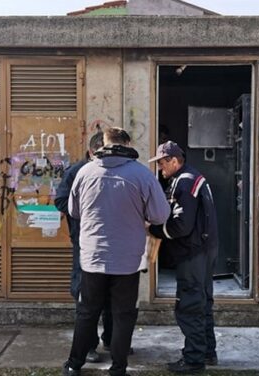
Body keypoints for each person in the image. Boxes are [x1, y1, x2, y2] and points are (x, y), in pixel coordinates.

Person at [63, 127, 170, 376]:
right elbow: (160, 215)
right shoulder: (142, 175)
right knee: (123, 314)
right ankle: (118, 368)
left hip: (92, 257)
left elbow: (73, 210)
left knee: (87, 312)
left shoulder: (84, 172)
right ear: (128, 143)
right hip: (127, 259)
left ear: (103, 144)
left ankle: (73, 365)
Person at [147, 141, 219, 374]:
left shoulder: (184, 182)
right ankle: (207, 352)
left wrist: (155, 230)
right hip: (205, 250)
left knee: (189, 305)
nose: (160, 169)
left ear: (174, 161)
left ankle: (193, 359)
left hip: (192, 252)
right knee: (203, 301)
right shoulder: (192, 177)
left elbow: (181, 225)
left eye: (162, 163)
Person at [55, 131, 110, 363]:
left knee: (113, 295)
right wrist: (84, 210)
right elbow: (60, 201)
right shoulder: (77, 171)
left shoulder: (119, 170)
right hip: (85, 243)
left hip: (112, 243)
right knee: (84, 294)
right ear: (92, 151)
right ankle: (88, 345)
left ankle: (113, 339)